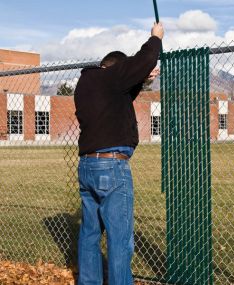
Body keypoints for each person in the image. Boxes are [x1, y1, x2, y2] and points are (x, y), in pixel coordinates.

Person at [74, 22, 164, 285]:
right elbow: (145, 58)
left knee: (90, 235)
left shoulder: (87, 85)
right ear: (115, 68)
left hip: (87, 167)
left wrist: (140, 80)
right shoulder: (110, 76)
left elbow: (117, 97)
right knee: (119, 239)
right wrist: (155, 38)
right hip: (112, 168)